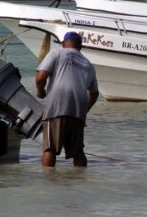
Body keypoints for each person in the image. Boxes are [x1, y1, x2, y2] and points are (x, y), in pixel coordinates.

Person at [35, 32, 99, 167]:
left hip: (56, 107)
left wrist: (41, 92)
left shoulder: (56, 54)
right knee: (78, 152)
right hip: (77, 112)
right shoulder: (88, 64)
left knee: (49, 148)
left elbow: (41, 77)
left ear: (63, 44)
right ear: (80, 47)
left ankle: (48, 182)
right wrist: (84, 110)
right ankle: (80, 181)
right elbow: (94, 93)